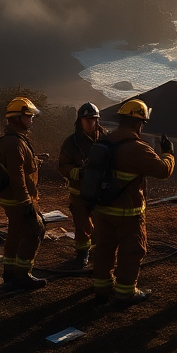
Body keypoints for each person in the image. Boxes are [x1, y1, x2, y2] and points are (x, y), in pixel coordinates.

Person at [90, 98, 176, 305]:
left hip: (102, 209)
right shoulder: (137, 147)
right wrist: (169, 154)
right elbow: (163, 171)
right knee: (132, 251)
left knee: (104, 249)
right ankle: (125, 293)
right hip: (127, 212)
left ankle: (102, 289)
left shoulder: (104, 142)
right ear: (139, 123)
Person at [0, 96, 47, 289]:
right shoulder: (14, 143)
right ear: (18, 118)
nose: (32, 119)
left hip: (11, 198)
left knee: (15, 232)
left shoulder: (15, 140)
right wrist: (26, 202)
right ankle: (22, 275)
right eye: (29, 116)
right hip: (19, 200)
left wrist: (35, 161)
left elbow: (19, 166)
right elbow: (17, 176)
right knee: (35, 231)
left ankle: (9, 272)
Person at [58, 102, 105, 268]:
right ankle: (82, 255)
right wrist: (78, 172)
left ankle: (100, 252)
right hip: (79, 192)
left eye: (93, 119)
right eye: (86, 119)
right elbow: (63, 166)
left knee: (102, 225)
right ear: (80, 121)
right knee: (82, 225)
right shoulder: (71, 143)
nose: (90, 123)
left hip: (101, 192)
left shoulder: (106, 139)